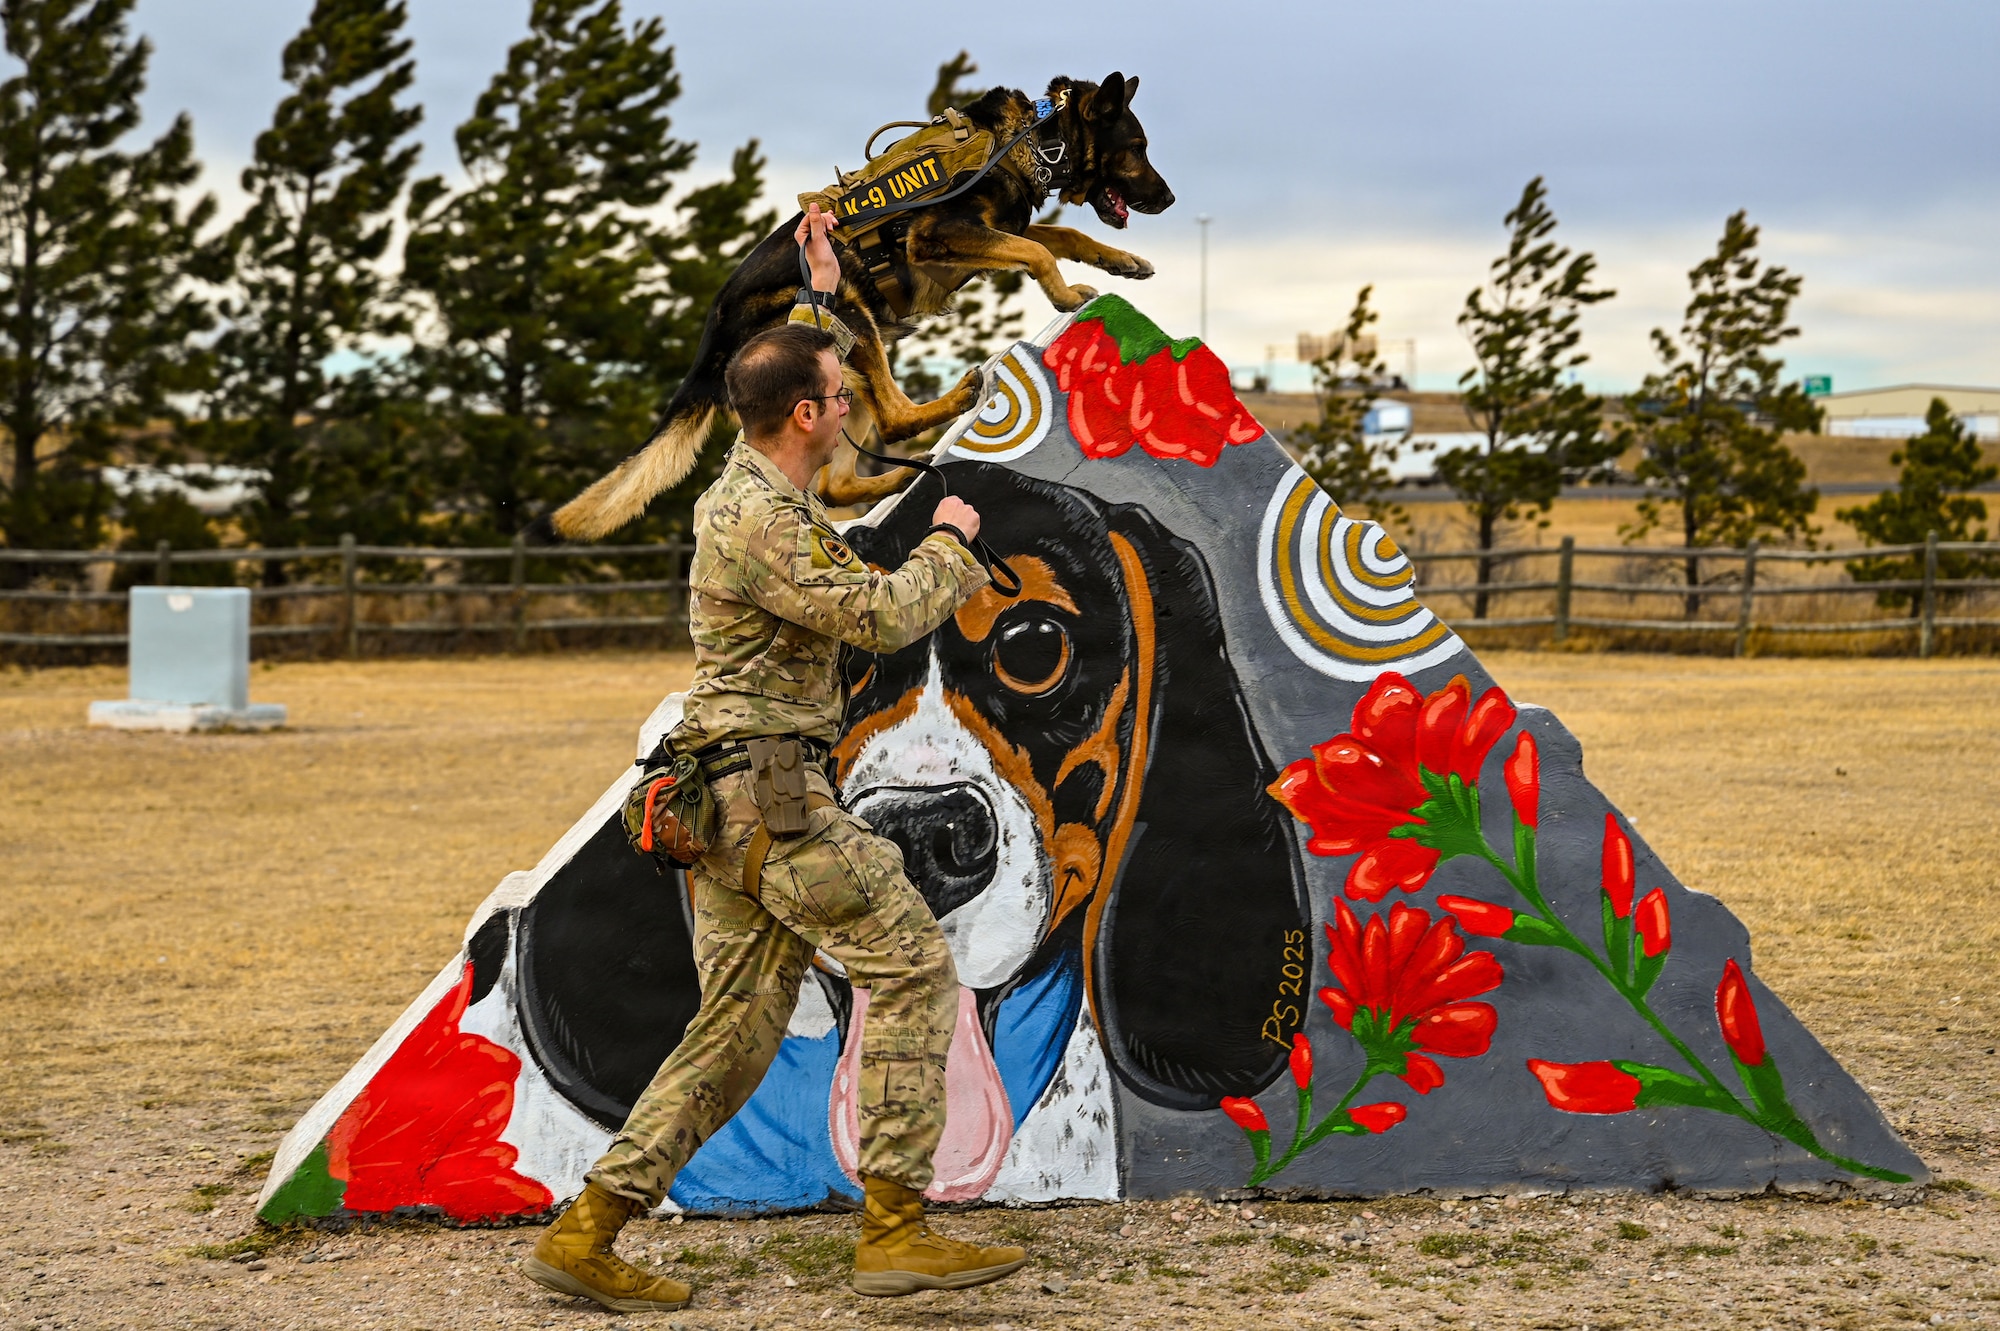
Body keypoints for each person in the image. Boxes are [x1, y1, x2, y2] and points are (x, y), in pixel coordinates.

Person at [520, 204, 1027, 1314]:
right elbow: (879, 614)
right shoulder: (754, 516)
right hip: (768, 795)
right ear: (803, 414)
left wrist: (820, 283)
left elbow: (805, 363)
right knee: (905, 961)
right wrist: (950, 538)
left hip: (736, 795)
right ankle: (894, 1225)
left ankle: (588, 1226)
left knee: (736, 1032)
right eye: (838, 397)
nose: (852, 406)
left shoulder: (763, 494)